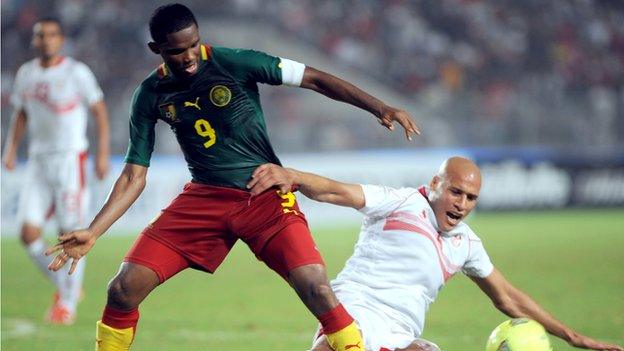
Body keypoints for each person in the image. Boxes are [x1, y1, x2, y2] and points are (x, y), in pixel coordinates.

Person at [45, 3, 419, 350]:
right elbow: (133, 175)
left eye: (193, 45)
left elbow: (315, 79)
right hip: (204, 200)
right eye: (177, 50)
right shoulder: (150, 94)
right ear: (155, 48)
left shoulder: (236, 62)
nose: (189, 57)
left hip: (265, 195)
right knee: (122, 290)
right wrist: (94, 232)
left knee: (318, 290)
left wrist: (378, 106)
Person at [246, 159, 624, 351]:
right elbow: (334, 191)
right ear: (435, 186)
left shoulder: (467, 244)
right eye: (456, 192)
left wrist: (574, 337)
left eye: (471, 198)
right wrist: (292, 175)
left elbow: (508, 298)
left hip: (403, 334)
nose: (462, 204)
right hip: (355, 313)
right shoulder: (401, 203)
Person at [2, 17, 110, 325]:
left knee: (70, 233)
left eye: (51, 34)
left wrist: (101, 154)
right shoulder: (26, 74)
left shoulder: (76, 72)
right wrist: (10, 149)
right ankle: (66, 288)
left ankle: (66, 305)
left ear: (60, 39)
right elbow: (21, 113)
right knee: (28, 233)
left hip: (70, 160)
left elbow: (99, 112)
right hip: (38, 161)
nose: (46, 40)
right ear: (34, 41)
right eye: (41, 35)